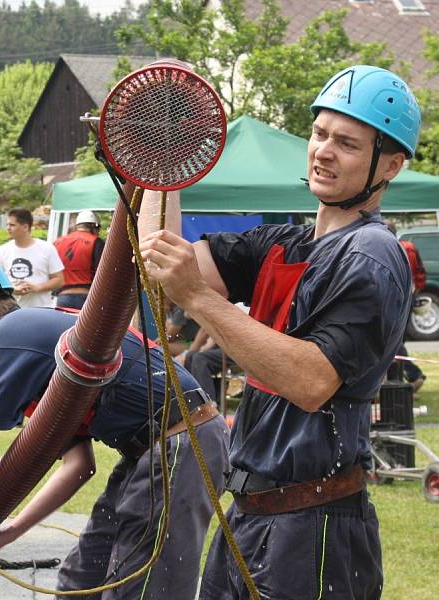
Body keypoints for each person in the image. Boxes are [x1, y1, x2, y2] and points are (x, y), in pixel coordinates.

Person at [140, 65, 421, 599]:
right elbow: (160, 259)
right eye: (318, 134)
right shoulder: (284, 244)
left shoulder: (373, 255)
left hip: (313, 528)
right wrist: (157, 158)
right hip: (252, 515)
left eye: (347, 143)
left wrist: (197, 298)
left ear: (390, 164)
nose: (323, 151)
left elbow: (311, 381)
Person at [0, 256, 229, 600]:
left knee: (142, 589)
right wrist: (5, 534)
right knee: (82, 581)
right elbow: (79, 466)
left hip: (181, 443)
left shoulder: (1, 339)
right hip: (158, 446)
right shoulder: (43, 340)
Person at [0, 208, 64, 307]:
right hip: (10, 311)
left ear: (25, 227)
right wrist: (11, 289)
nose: (8, 228)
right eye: (7, 224)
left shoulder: (47, 248)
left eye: (12, 225)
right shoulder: (2, 251)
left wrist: (37, 287)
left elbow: (59, 280)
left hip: (41, 310)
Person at [388, 222, 426, 391]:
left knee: (393, 343)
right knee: (397, 341)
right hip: (407, 297)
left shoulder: (386, 249)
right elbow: (420, 273)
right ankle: (405, 383)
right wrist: (414, 292)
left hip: (391, 299)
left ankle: (407, 381)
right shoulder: (408, 247)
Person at [53, 209, 106, 309]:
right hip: (87, 296)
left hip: (63, 297)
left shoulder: (58, 242)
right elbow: (102, 272)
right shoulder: (96, 241)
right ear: (93, 226)